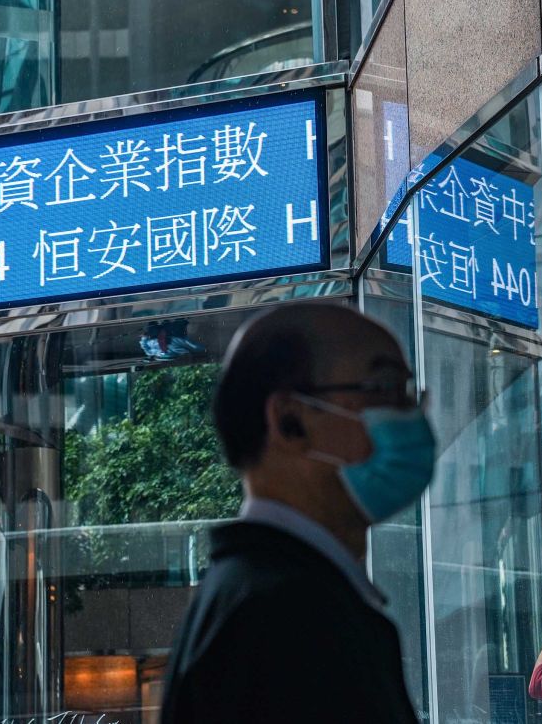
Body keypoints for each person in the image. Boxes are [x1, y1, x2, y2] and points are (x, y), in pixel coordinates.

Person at [160, 304, 432, 724]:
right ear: (289, 420)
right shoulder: (287, 618)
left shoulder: (251, 595)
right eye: (383, 386)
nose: (409, 414)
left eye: (407, 392)